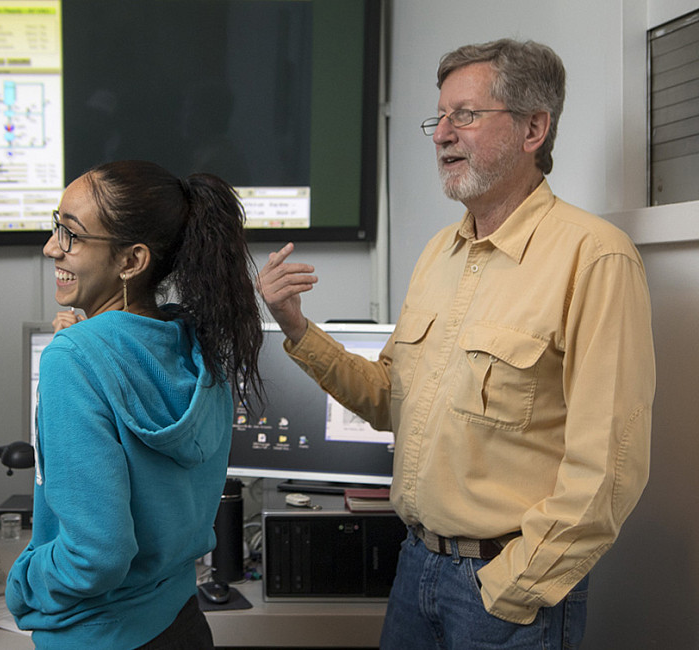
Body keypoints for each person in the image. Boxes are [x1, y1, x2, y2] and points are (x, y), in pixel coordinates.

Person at [258, 39, 654, 649]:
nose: (442, 133)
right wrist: (296, 328)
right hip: (416, 568)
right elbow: (391, 400)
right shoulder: (438, 254)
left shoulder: (595, 256)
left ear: (533, 128)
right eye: (439, 118)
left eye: (465, 115)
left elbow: (611, 464)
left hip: (504, 592)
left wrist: (514, 585)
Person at [5, 160, 263, 649]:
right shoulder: (199, 345)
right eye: (55, 225)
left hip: (101, 635)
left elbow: (98, 554)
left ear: (131, 261)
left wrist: (24, 583)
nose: (51, 247)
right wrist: (86, 344)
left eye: (71, 235)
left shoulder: (74, 359)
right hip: (179, 621)